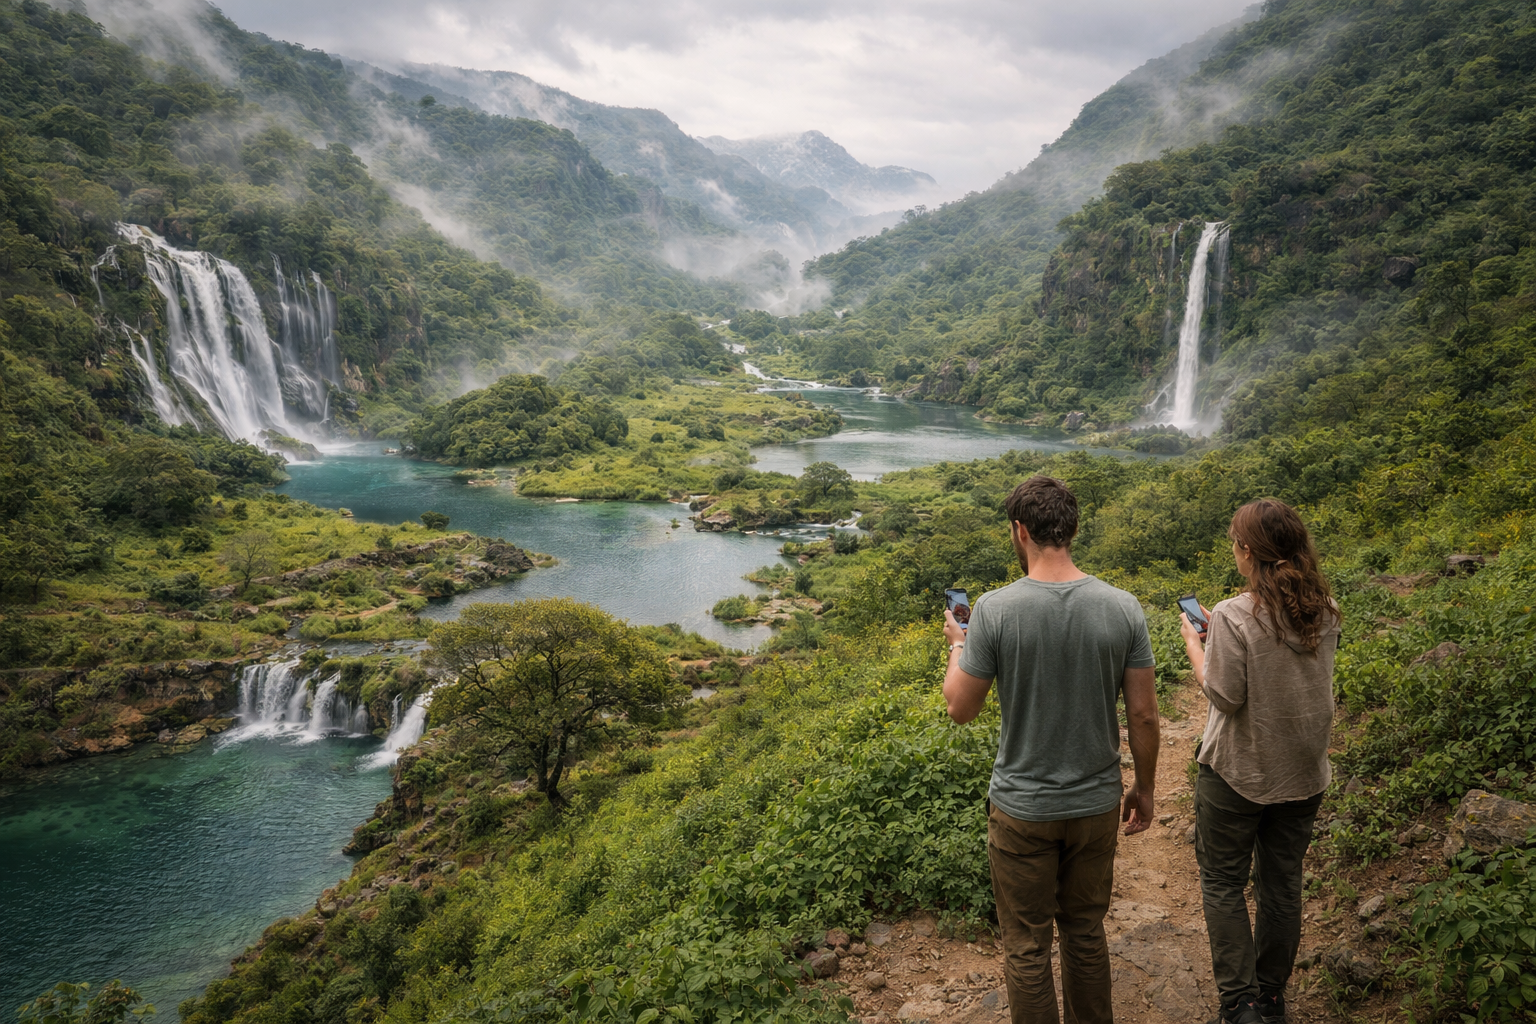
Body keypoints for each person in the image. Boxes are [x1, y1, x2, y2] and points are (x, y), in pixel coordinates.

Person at [943, 475, 1161, 1024]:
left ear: (1020, 531)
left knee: (1027, 946)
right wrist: (1146, 786)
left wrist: (958, 646)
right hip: (1094, 804)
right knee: (1085, 933)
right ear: (1074, 529)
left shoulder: (994, 610)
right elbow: (1143, 714)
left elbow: (960, 708)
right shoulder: (1123, 607)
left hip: (1022, 810)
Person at [1180, 499, 1342, 1024]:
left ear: (1248, 551)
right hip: (1303, 771)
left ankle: (1240, 1004)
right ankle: (1272, 996)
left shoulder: (1232, 613)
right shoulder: (1327, 609)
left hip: (1239, 773)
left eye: (1235, 542)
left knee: (1223, 881)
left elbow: (1224, 696)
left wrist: (1196, 647)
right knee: (1282, 882)